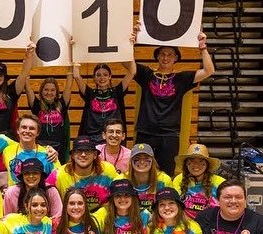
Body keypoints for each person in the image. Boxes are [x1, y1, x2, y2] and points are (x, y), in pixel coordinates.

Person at [133, 30, 215, 176]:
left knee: (166, 174)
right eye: (163, 54)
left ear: (176, 57)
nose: (166, 57)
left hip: (169, 135)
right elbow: (126, 63)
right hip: (146, 132)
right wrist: (130, 43)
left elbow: (209, 70)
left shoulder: (182, 79)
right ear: (157, 56)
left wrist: (202, 47)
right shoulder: (146, 74)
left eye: (170, 54)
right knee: (140, 172)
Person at [47, 136, 118, 212]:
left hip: (100, 218)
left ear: (95, 155)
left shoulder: (108, 170)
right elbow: (43, 191)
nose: (83, 154)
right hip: (71, 217)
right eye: (78, 151)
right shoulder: (58, 175)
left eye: (87, 151)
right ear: (73, 155)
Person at [73, 61, 134, 138]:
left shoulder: (117, 92)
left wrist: (130, 53)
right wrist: (76, 60)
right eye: (98, 75)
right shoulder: (89, 94)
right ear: (94, 77)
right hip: (92, 139)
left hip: (113, 138)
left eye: (105, 75)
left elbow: (132, 72)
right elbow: (76, 76)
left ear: (110, 76)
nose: (102, 78)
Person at [195, 179, 263, 234]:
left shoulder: (259, 222)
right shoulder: (204, 217)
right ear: (218, 200)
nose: (233, 201)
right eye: (227, 197)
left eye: (238, 197)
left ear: (245, 200)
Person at [26, 73, 73, 164]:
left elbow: (69, 87)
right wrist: (26, 73)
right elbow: (27, 89)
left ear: (56, 92)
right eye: (46, 89)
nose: (49, 93)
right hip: (40, 146)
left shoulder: (62, 104)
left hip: (59, 148)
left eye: (52, 90)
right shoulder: (37, 105)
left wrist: (71, 71)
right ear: (41, 91)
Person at [3, 114, 60, 187]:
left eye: (32, 128)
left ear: (38, 133)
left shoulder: (48, 154)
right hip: (15, 196)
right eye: (24, 127)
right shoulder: (7, 150)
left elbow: (57, 178)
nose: (27, 131)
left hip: (39, 196)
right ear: (17, 130)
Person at [172, 144, 225, 219]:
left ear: (207, 165)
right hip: (184, 225)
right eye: (192, 161)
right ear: (186, 164)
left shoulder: (220, 182)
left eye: (201, 161)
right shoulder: (179, 179)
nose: (196, 165)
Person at [117, 143, 172, 212]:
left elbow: (170, 207)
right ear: (131, 161)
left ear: (153, 161)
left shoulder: (164, 180)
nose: (142, 162)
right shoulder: (121, 180)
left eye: (146, 158)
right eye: (137, 158)